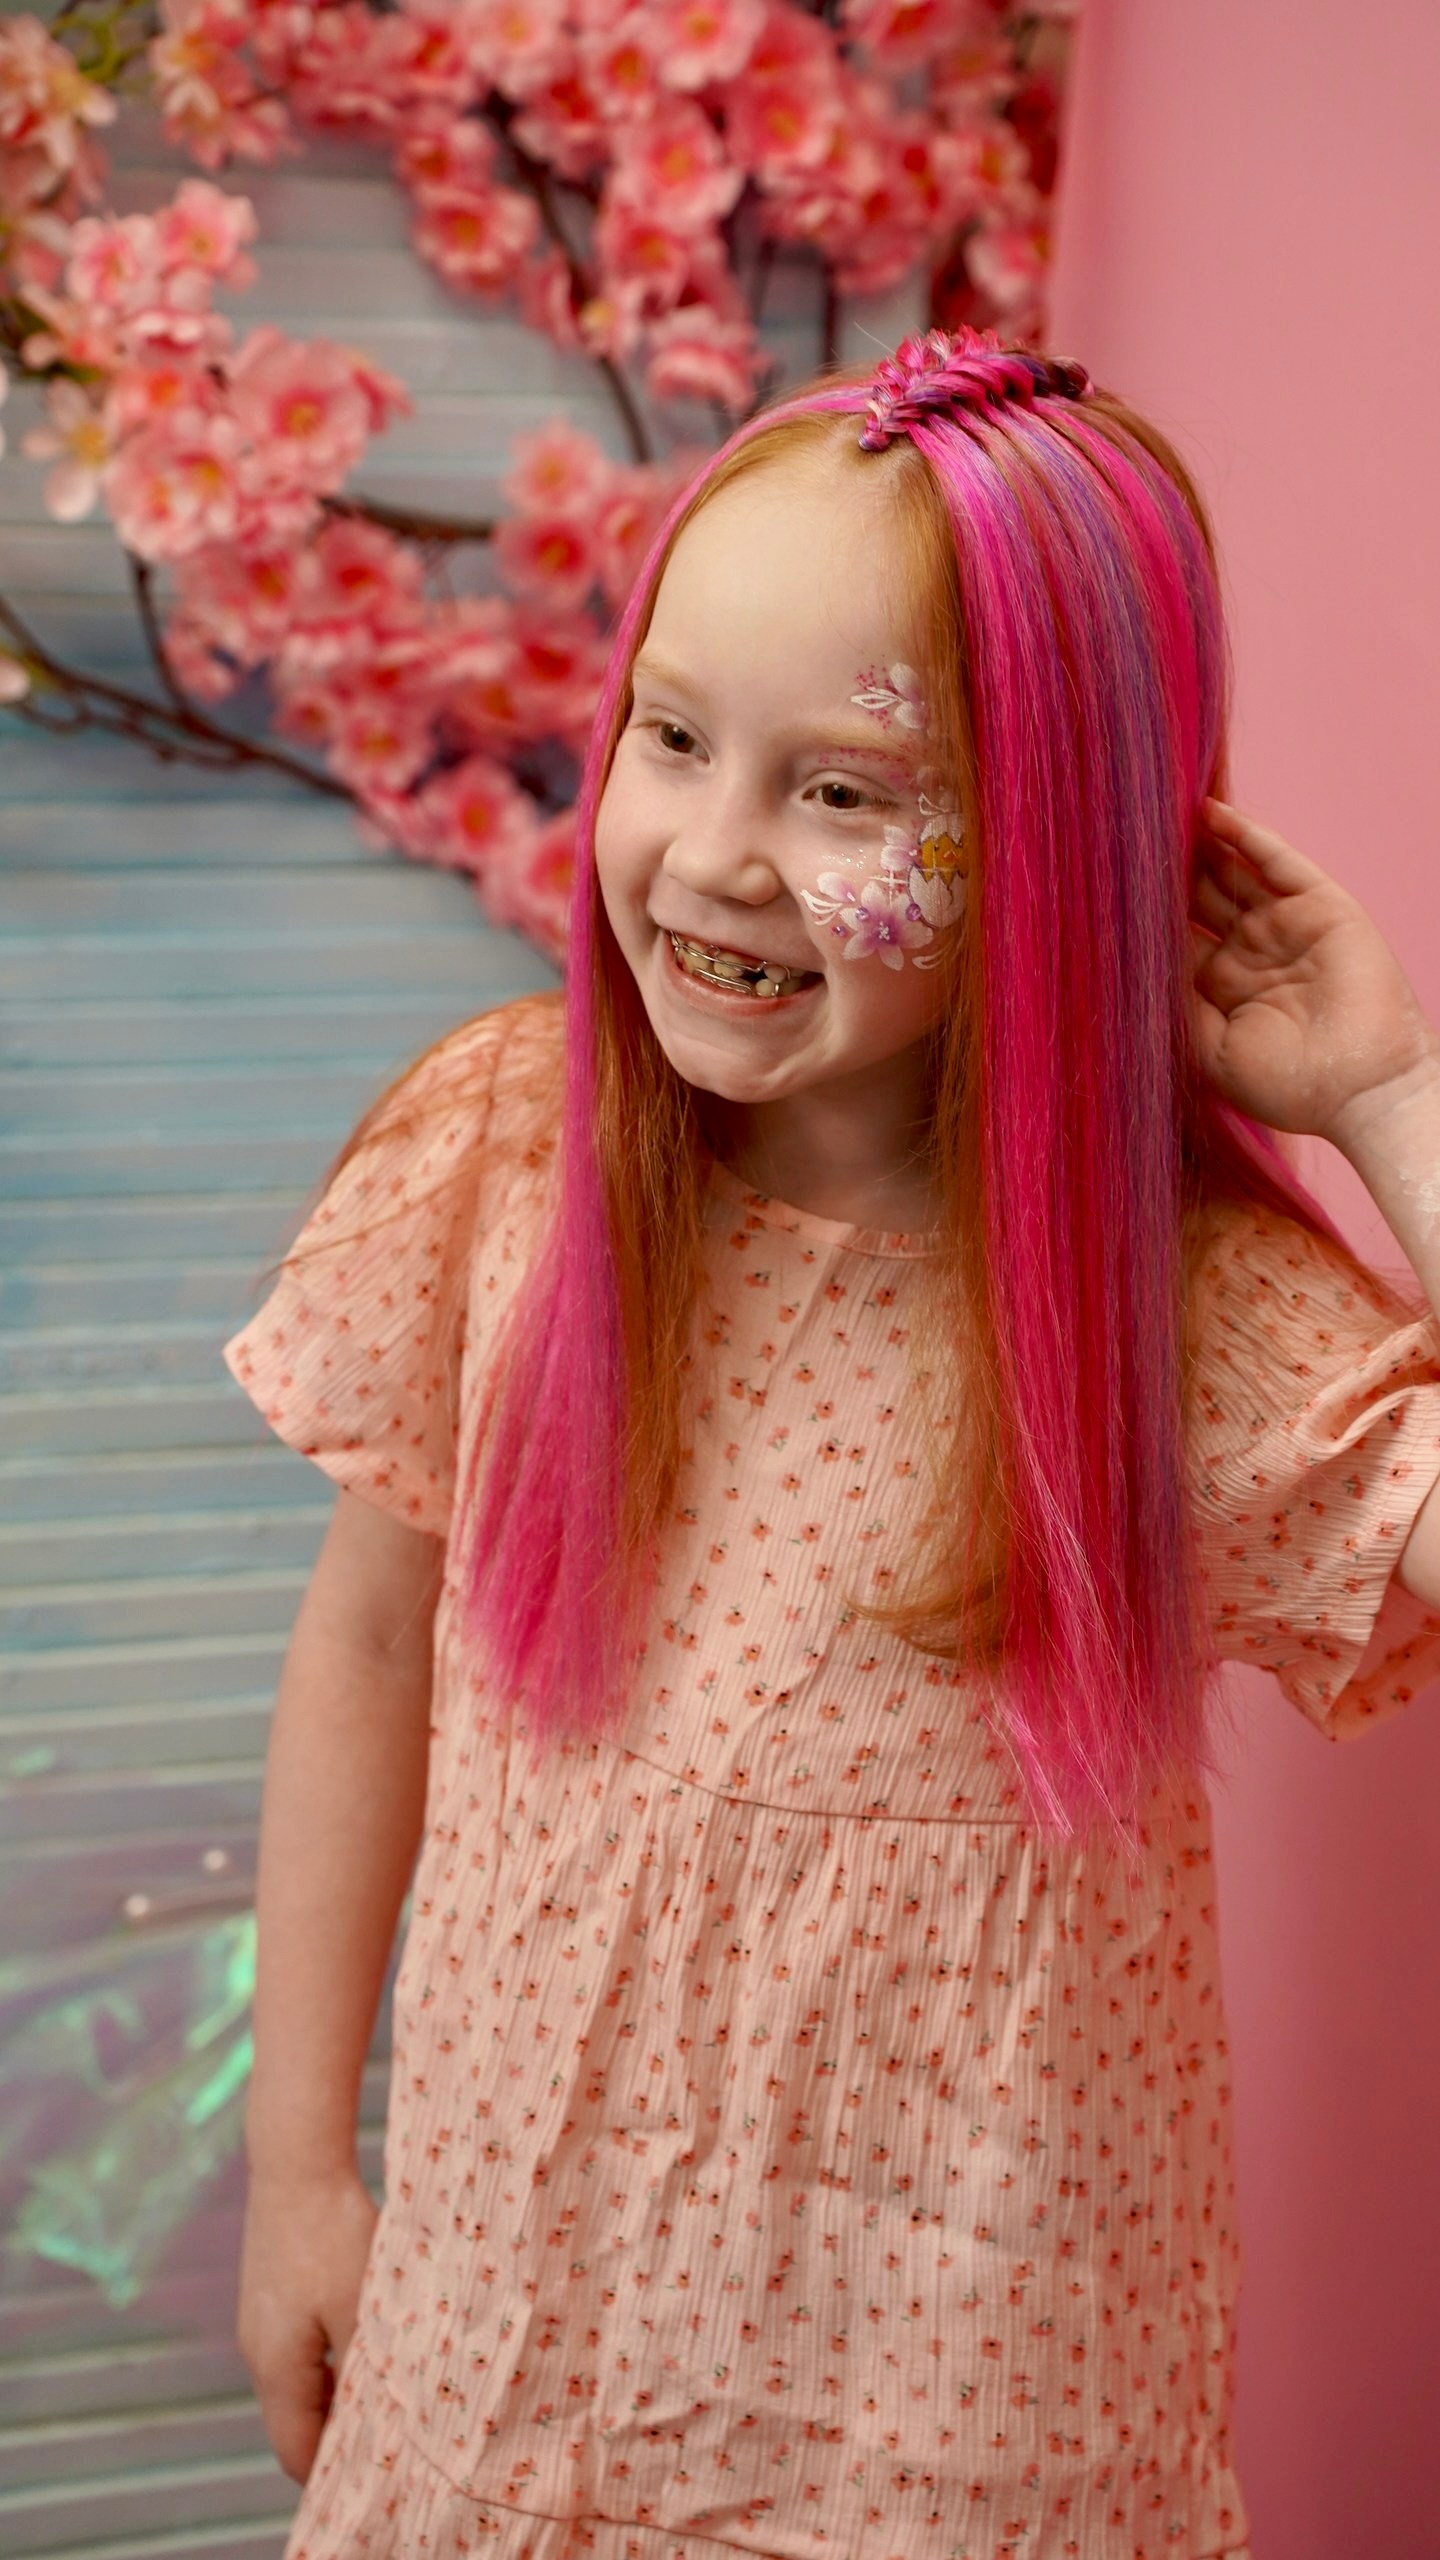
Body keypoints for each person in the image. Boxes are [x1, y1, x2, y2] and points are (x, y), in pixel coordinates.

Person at [225, 328, 1440, 2560]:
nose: (714, 857)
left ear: (1063, 844)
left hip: (952, 2443)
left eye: (848, 793)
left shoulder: (1180, 1320)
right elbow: (371, 1645)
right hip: (506, 2361)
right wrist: (298, 2165)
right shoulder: (506, 1169)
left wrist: (1391, 1099)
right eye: (675, 736)